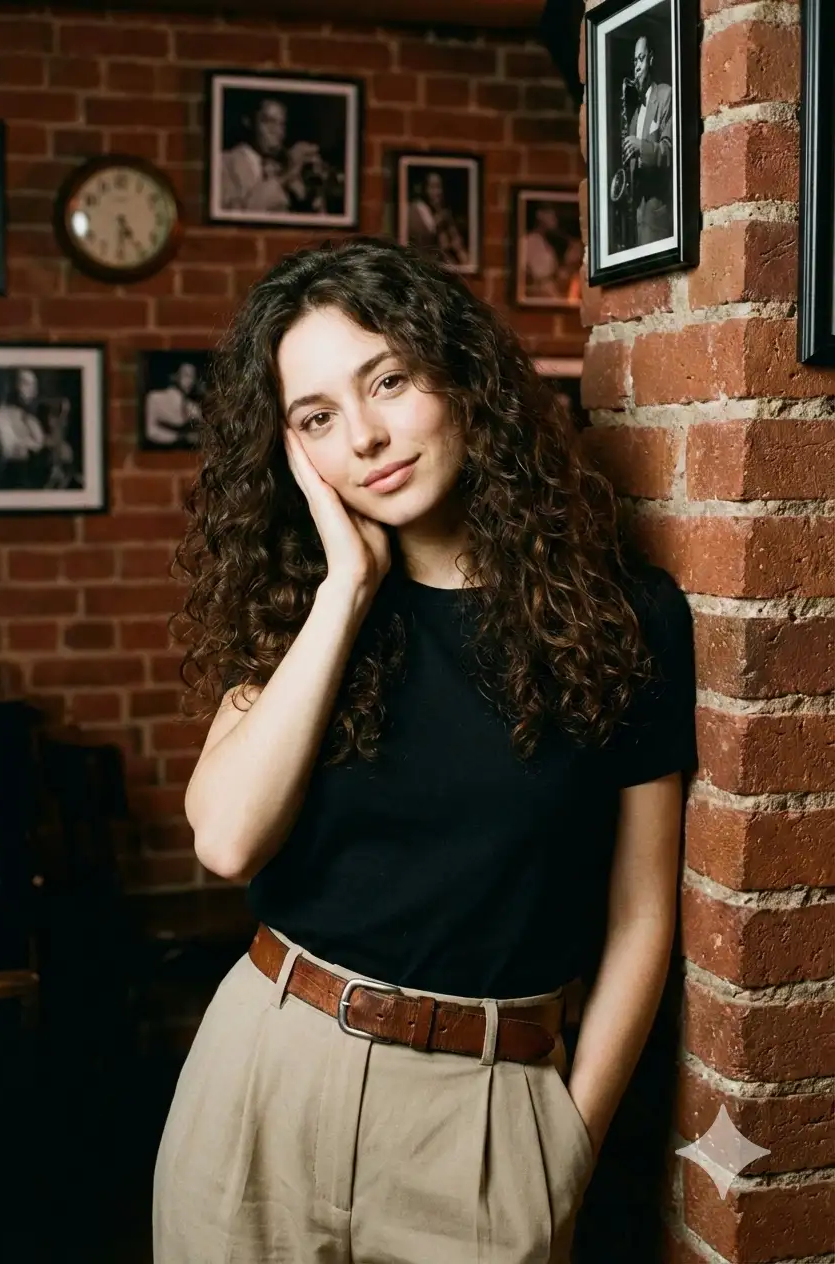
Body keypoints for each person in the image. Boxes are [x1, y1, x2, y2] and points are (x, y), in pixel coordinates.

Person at [153, 237, 698, 1263]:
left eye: (387, 380)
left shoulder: (625, 619)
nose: (363, 437)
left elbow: (638, 918)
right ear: (289, 455)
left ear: (457, 377)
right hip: (266, 1075)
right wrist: (344, 591)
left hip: (486, 1116)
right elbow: (226, 842)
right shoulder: (291, 619)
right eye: (315, 418)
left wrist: (565, 1145)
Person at [220, 95, 336, 215]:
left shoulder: (285, 166)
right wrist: (285, 176)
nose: (278, 131)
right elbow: (234, 215)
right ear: (248, 121)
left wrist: (315, 191)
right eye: (269, 122)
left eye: (282, 124)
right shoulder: (225, 162)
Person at [620, 34, 673, 245]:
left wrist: (640, 146)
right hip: (637, 216)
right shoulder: (634, 116)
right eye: (634, 61)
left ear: (651, 59)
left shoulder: (665, 94)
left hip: (657, 215)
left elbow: (670, 151)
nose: (637, 67)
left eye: (641, 59)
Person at [0, 367, 45, 489]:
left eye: (34, 385)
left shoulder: (31, 421)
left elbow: (39, 444)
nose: (33, 390)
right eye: (26, 384)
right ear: (13, 385)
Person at [406, 169, 469, 267]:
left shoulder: (445, 214)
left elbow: (460, 254)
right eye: (432, 187)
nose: (437, 192)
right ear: (424, 189)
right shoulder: (416, 208)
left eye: (439, 187)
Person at [144, 360, 204, 447]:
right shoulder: (154, 398)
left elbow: (202, 434)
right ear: (175, 376)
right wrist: (179, 437)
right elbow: (151, 432)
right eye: (186, 375)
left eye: (193, 377)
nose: (190, 381)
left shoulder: (193, 407)